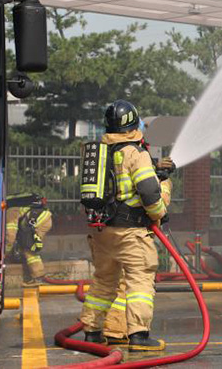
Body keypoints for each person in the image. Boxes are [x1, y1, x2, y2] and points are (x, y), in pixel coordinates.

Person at [80, 100, 168, 351]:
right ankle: (139, 335)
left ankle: (92, 332)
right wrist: (159, 213)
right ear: (133, 123)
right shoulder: (135, 153)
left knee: (104, 280)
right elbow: (149, 192)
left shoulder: (99, 151)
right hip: (130, 231)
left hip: (101, 231)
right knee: (140, 280)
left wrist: (156, 170)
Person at [5, 193, 52, 287]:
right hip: (44, 218)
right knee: (30, 246)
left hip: (38, 222)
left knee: (29, 248)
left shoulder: (10, 211)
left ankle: (38, 277)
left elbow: (10, 235)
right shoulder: (17, 205)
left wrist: (6, 252)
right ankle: (37, 277)